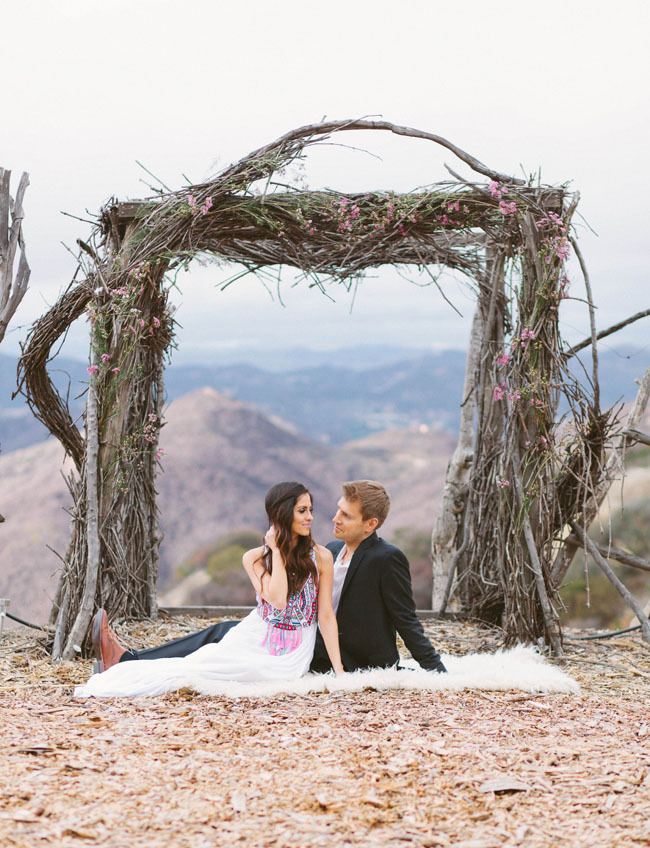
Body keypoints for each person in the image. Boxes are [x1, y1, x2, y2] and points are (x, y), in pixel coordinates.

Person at [90, 480, 446, 677]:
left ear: (371, 524)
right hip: (308, 635)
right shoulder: (333, 549)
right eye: (336, 510)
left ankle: (129, 662)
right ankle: (129, 661)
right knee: (227, 634)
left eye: (346, 515)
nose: (334, 519)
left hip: (350, 653)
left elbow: (406, 619)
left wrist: (438, 671)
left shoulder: (387, 558)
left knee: (223, 636)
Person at [74, 482, 343, 698]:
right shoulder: (255, 558)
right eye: (302, 510)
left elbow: (326, 615)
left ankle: (122, 661)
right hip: (255, 632)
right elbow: (278, 599)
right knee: (197, 666)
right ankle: (122, 666)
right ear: (282, 514)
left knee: (231, 668)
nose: (310, 517)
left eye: (310, 510)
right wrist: (276, 550)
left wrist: (339, 671)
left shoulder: (321, 557)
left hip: (292, 650)